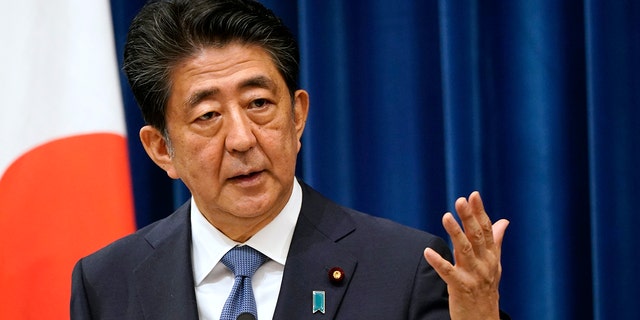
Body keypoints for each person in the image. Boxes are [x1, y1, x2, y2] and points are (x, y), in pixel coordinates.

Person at [71, 0, 510, 319]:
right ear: (161, 149)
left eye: (259, 103)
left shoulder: (408, 269)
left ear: (297, 115)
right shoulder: (107, 282)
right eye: (208, 115)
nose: (242, 139)